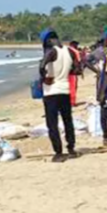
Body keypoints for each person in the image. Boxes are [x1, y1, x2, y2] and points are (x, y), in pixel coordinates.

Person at [39, 29, 80, 162]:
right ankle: (71, 148)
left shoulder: (51, 51)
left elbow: (41, 65)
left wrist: (45, 77)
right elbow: (77, 69)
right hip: (65, 90)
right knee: (68, 120)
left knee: (52, 124)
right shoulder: (69, 51)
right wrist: (65, 73)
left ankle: (58, 152)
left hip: (51, 92)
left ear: (48, 40)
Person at [68, 41, 83, 106]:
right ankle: (72, 102)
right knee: (73, 87)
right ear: (74, 45)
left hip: (66, 72)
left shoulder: (66, 50)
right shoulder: (75, 52)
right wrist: (80, 71)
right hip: (73, 73)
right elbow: (78, 62)